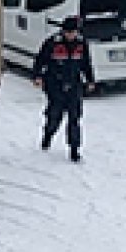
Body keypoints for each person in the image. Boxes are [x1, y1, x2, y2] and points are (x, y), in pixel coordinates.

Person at [32, 15, 96, 161]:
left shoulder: (81, 44)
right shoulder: (52, 43)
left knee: (74, 118)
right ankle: (48, 134)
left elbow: (86, 64)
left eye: (74, 32)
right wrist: (37, 76)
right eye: (68, 32)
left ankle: (74, 149)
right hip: (55, 84)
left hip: (74, 85)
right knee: (55, 115)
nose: (71, 35)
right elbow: (40, 60)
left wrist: (90, 80)